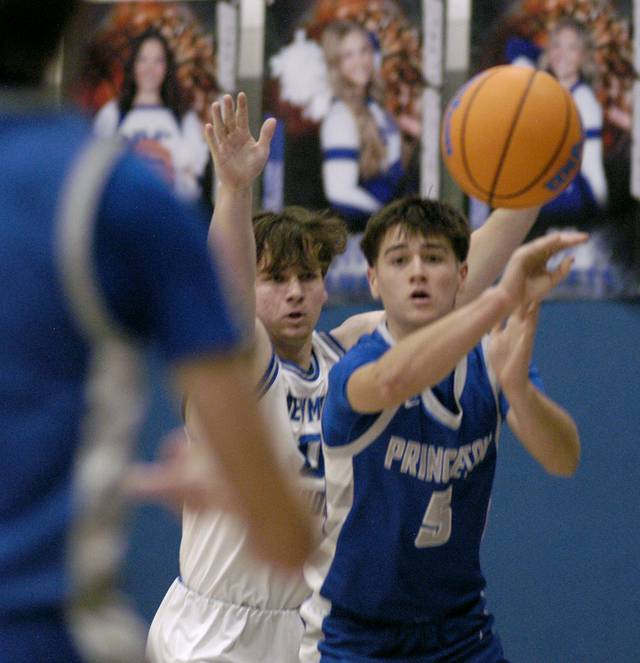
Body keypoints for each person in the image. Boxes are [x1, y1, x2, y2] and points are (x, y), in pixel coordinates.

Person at [0, 2, 314, 662]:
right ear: (82, 19)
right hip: (31, 635)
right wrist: (208, 487)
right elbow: (287, 537)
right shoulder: (116, 194)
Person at [146, 93, 545, 663]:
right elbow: (225, 295)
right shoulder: (242, 360)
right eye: (276, 279)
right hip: (216, 629)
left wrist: (530, 194)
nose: (295, 292)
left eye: (308, 277)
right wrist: (234, 190)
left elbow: (454, 289)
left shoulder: (349, 355)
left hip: (309, 627)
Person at [300, 198, 584, 662]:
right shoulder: (357, 367)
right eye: (399, 260)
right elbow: (393, 381)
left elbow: (564, 459)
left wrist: (519, 389)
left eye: (433, 258)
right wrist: (501, 298)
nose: (418, 272)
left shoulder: (489, 358)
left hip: (461, 631)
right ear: (373, 279)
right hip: (358, 636)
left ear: (463, 274)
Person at [93, 28, 209, 202]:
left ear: (167, 67)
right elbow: (97, 171)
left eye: (158, 60)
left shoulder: (184, 117)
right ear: (133, 65)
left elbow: (192, 179)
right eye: (143, 59)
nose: (150, 68)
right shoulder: (112, 114)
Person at [319, 21, 412, 232]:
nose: (360, 61)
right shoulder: (340, 117)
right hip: (362, 236)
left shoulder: (373, 106)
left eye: (364, 51)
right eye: (348, 55)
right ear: (335, 64)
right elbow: (339, 192)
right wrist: (387, 219)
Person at [533, 17, 608, 234]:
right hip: (551, 200)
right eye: (557, 45)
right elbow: (514, 47)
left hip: (575, 205)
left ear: (583, 57)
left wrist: (597, 209)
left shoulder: (584, 100)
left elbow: (590, 165)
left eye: (572, 48)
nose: (562, 54)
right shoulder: (549, 94)